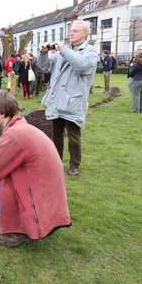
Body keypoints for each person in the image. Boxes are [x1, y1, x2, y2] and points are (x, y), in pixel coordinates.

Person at [0, 90, 71, 247]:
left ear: (1, 114)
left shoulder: (14, 135)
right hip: (47, 202)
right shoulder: (22, 127)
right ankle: (14, 217)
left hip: (37, 206)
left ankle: (19, 229)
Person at [38, 20, 98, 176]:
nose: (71, 33)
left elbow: (83, 66)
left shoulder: (90, 51)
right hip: (57, 99)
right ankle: (56, 162)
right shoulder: (61, 52)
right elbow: (44, 67)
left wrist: (63, 50)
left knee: (73, 136)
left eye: (76, 31)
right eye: (71, 30)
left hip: (73, 100)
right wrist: (43, 53)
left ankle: (74, 165)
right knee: (56, 134)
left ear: (85, 33)